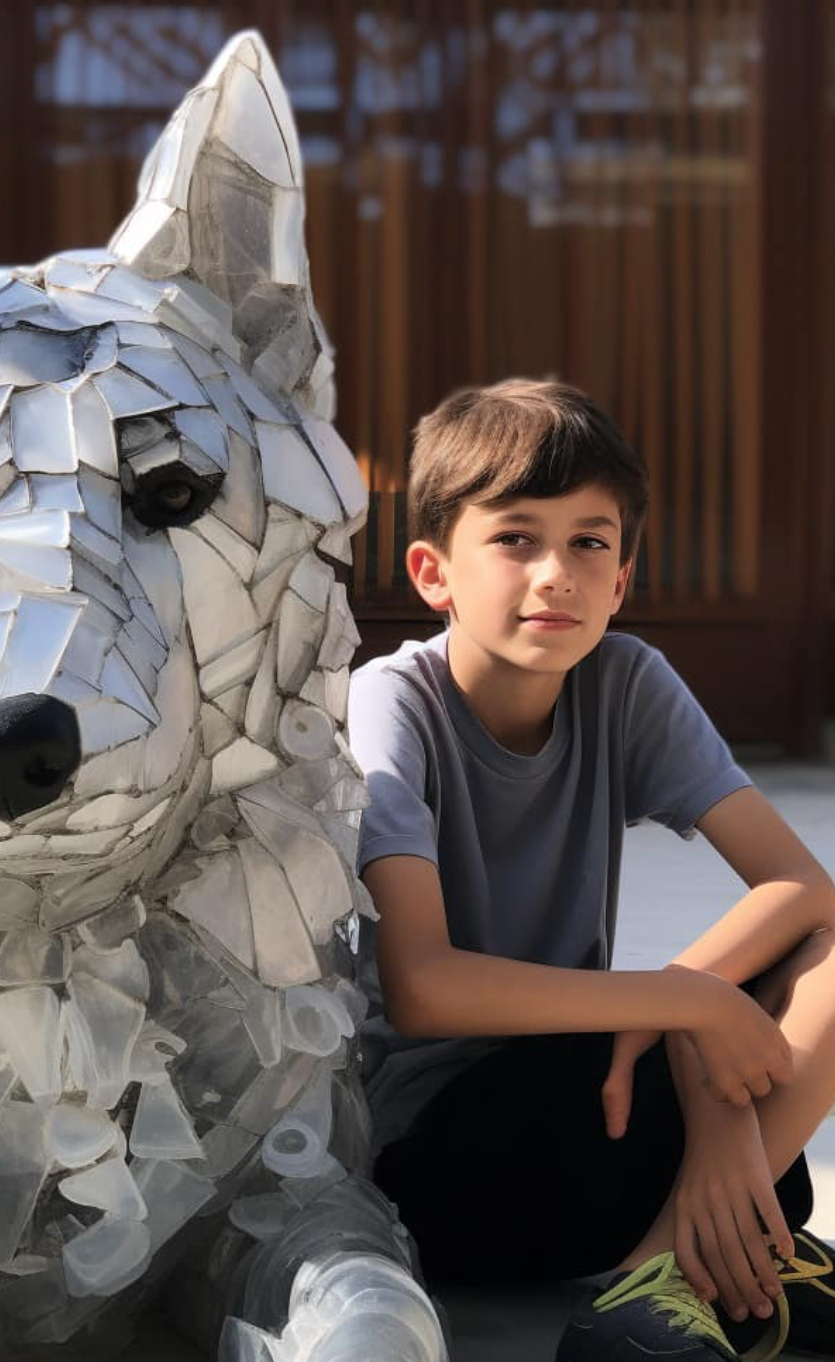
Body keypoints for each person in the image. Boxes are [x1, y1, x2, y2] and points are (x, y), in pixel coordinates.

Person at [347, 378, 835, 1362]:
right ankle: (725, 1255)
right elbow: (424, 988)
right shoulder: (389, 706)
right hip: (434, 1149)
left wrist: (692, 1053)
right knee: (728, 1081)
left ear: (620, 580)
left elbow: (806, 892)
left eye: (589, 543)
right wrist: (688, 1009)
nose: (556, 574)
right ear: (433, 572)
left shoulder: (627, 681)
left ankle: (663, 1274)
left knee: (812, 981)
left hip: (585, 1105)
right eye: (517, 538)